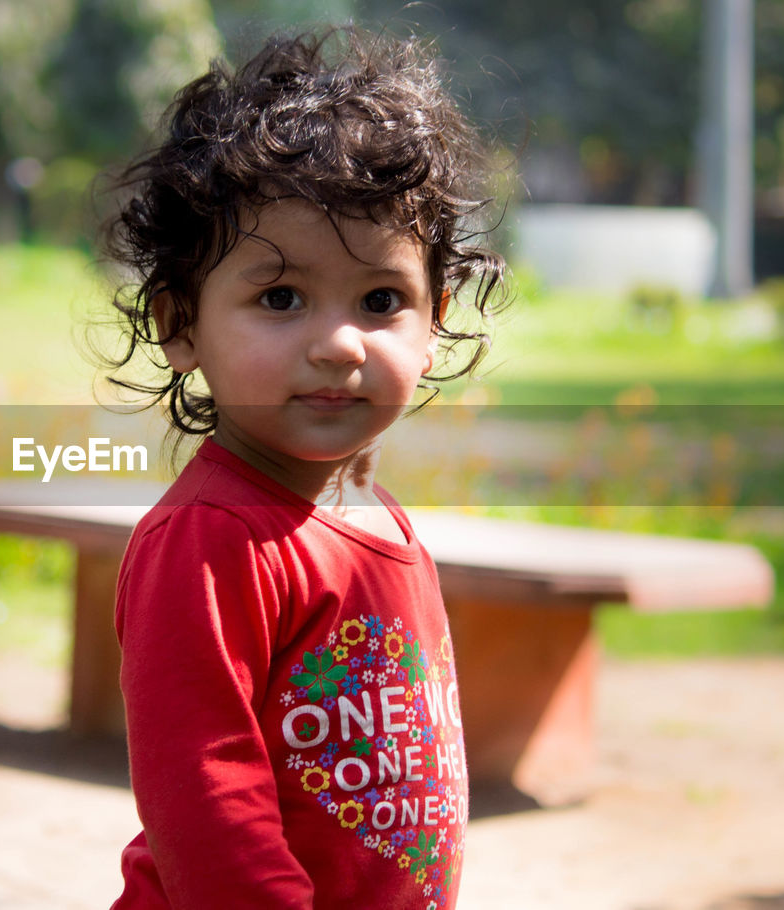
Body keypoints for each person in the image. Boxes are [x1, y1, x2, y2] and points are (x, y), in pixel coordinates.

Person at [99, 27, 506, 910]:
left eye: (380, 300)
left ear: (433, 321)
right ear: (180, 325)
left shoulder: (382, 520)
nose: (338, 343)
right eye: (279, 298)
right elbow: (212, 819)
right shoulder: (209, 544)